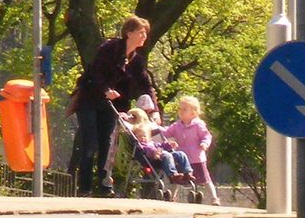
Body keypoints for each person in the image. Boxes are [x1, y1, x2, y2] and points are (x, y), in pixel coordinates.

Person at [70, 14, 156, 197]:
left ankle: (105, 186)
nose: (144, 37)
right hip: (90, 99)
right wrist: (106, 89)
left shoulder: (137, 60)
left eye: (145, 34)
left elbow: (146, 86)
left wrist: (154, 110)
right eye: (141, 33)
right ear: (129, 33)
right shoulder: (110, 48)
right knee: (90, 143)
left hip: (112, 106)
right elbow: (95, 72)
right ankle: (84, 189)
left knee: (108, 144)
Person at [119, 100, 196, 187]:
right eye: (139, 136)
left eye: (144, 136)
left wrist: (169, 145)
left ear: (149, 137)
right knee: (167, 155)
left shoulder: (152, 143)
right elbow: (147, 150)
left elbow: (161, 145)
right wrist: (155, 151)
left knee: (181, 154)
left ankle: (188, 172)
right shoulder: (141, 146)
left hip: (163, 156)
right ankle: (172, 175)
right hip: (153, 159)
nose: (142, 138)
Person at [162, 94, 220, 205]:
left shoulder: (198, 125)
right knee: (177, 178)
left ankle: (214, 197)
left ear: (193, 113)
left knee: (205, 179)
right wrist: (155, 127)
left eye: (185, 109)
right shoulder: (177, 126)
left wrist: (204, 143)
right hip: (182, 158)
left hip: (196, 157)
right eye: (180, 109)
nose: (181, 111)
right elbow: (167, 132)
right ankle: (171, 197)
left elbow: (206, 136)